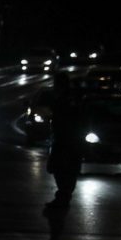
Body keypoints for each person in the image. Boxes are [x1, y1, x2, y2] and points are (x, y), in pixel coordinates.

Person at [45, 72, 85, 210]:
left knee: (62, 169)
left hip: (66, 140)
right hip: (68, 140)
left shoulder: (67, 100)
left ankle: (63, 197)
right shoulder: (67, 98)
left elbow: (67, 120)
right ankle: (63, 197)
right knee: (64, 170)